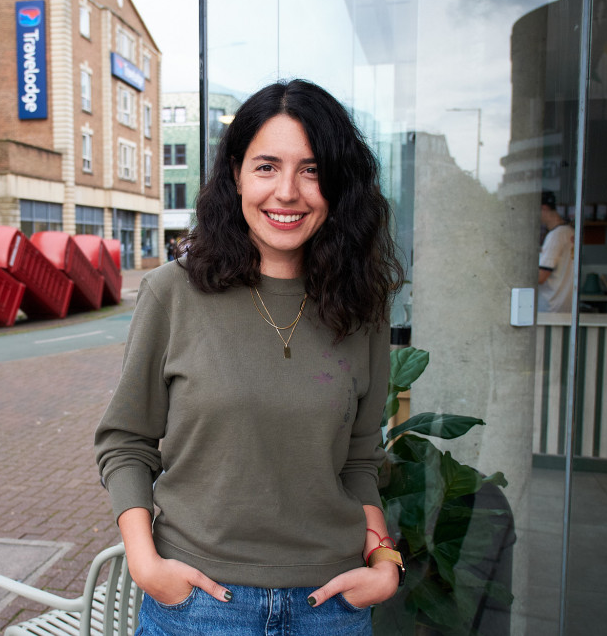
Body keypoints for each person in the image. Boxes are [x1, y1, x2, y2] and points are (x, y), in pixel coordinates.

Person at [94, 79, 405, 635]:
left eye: (311, 170)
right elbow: (126, 440)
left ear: (337, 186)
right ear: (236, 173)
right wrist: (145, 564)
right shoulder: (173, 292)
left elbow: (359, 459)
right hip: (199, 605)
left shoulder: (362, 308)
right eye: (267, 166)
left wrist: (385, 563)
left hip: (330, 608)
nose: (287, 191)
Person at [538, 191, 575, 313]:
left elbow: (541, 276)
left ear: (543, 208)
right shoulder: (569, 231)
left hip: (551, 306)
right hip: (564, 305)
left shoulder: (556, 236)